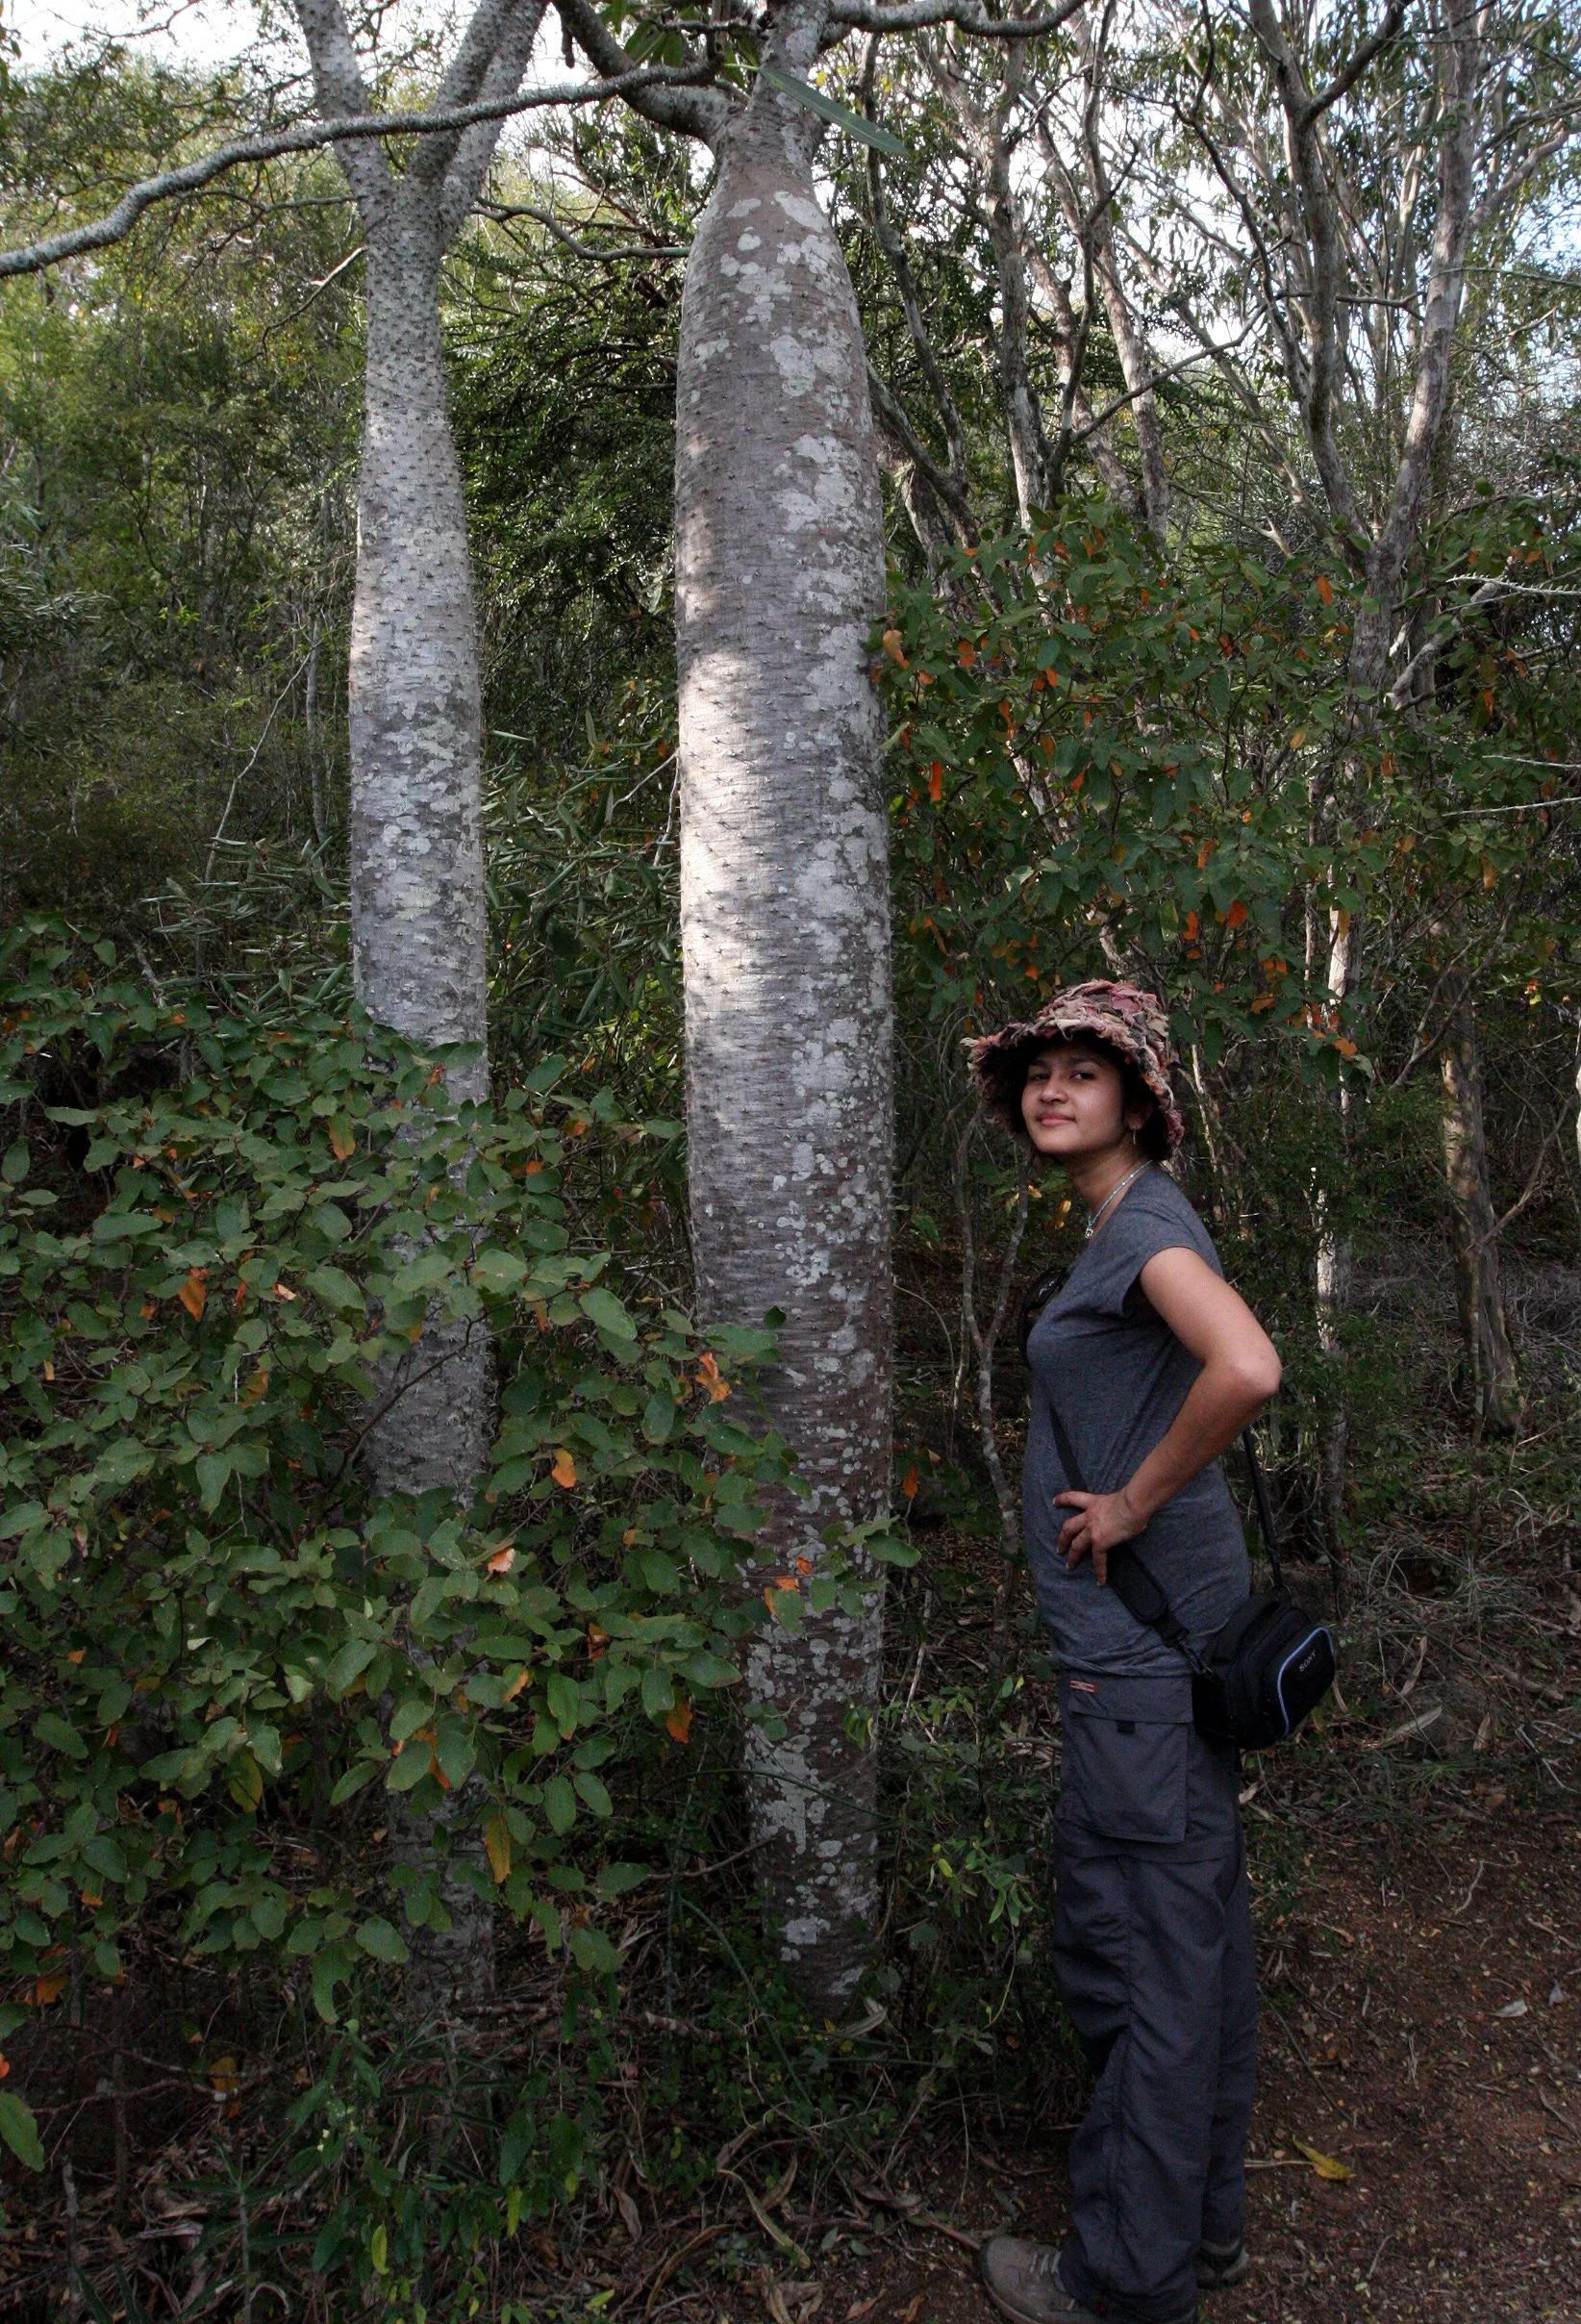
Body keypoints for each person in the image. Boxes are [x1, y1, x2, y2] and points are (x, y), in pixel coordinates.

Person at [968, 980, 1283, 2324]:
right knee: (1192, 1943)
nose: (1052, 1088)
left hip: (1140, 1676)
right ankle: (1198, 2231)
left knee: (1138, 1963)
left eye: (1084, 1073)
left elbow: (1250, 1367)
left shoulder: (1146, 1231)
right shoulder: (1125, 1227)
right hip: (1171, 1663)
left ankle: (1122, 2286)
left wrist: (1136, 1499)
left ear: (1139, 1101)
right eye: (1038, 1071)